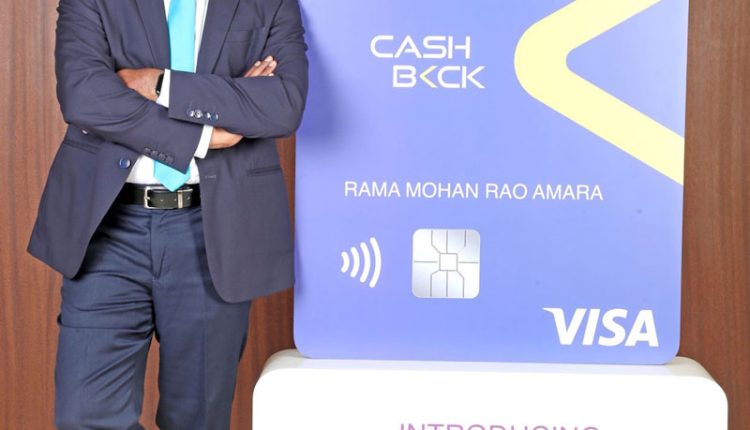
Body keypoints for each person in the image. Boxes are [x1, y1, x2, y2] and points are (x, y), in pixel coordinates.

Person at [27, 0, 308, 427]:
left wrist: (159, 83)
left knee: (196, 419)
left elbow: (283, 103)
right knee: (86, 417)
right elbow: (84, 95)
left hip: (213, 233)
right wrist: (203, 136)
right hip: (108, 231)